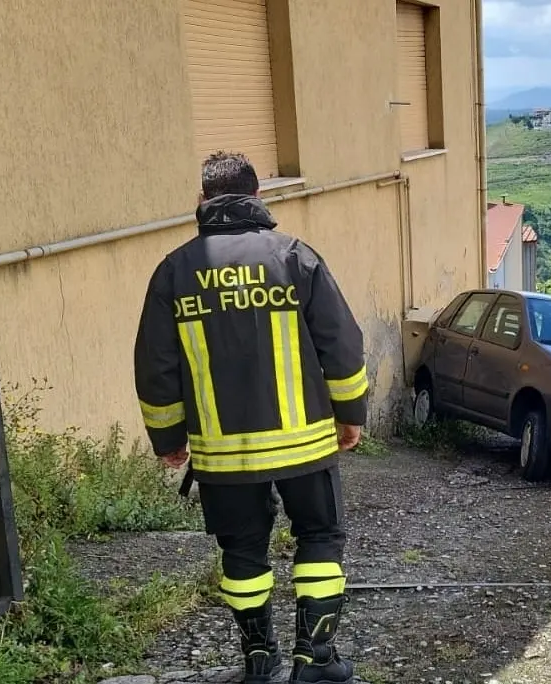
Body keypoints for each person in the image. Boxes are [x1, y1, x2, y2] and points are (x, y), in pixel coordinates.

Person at [134, 151, 367, 684]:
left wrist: (168, 438)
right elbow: (342, 346)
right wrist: (350, 414)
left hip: (223, 451)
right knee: (320, 537)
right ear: (258, 199)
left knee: (241, 549)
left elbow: (155, 365)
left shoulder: (174, 271)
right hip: (306, 444)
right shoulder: (295, 258)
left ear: (202, 202)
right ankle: (317, 660)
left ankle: (259, 662)